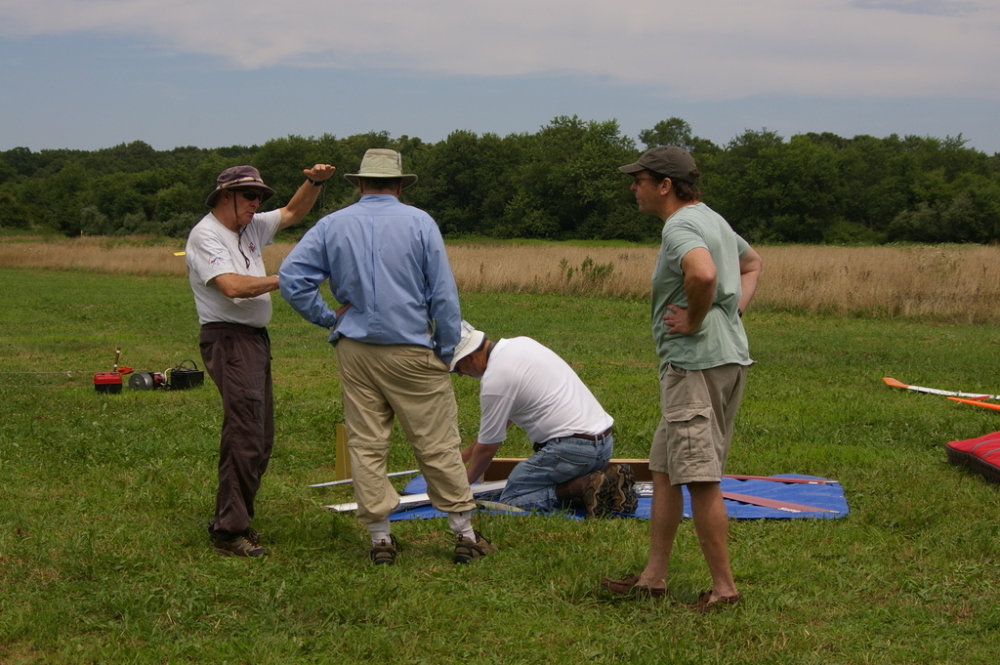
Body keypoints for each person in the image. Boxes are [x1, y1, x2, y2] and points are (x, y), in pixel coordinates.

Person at [278, 148, 493, 565]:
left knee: (367, 443)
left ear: (359, 184)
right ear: (399, 184)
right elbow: (443, 295)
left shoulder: (331, 224)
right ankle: (464, 534)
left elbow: (291, 278)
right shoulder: (419, 222)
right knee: (436, 443)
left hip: (355, 351)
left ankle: (380, 539)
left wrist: (328, 318)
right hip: (411, 348)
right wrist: (447, 348)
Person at [601, 146, 762, 610]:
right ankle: (653, 577)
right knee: (666, 470)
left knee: (700, 476)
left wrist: (696, 319)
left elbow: (703, 273)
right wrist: (730, 314)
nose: (633, 187)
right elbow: (752, 265)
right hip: (723, 359)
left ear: (665, 185)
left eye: (640, 179)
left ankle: (725, 590)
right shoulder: (712, 218)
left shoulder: (682, 225)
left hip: (695, 365)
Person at [186, 162, 336, 557]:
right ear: (224, 196)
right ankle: (229, 531)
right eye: (249, 195)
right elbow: (233, 287)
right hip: (229, 341)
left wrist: (314, 182)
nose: (256, 203)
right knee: (246, 434)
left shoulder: (250, 226)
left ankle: (237, 519)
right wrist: (290, 277)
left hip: (253, 341)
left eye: (259, 196)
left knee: (260, 436)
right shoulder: (206, 236)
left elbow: (292, 212)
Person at [452, 322, 638, 516]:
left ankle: (584, 487)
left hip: (570, 452)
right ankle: (604, 485)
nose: (461, 375)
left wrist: (462, 488)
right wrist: (465, 454)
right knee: (541, 481)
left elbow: (487, 449)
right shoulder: (521, 344)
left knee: (513, 498)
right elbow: (499, 425)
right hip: (604, 446)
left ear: (471, 357)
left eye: (458, 368)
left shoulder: (495, 380)